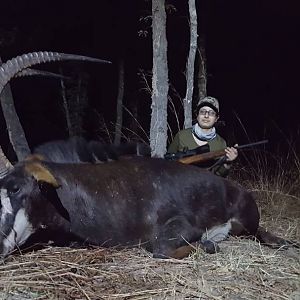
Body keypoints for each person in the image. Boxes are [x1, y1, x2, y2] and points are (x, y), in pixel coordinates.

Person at [167, 96, 238, 177]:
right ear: (197, 115)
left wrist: (228, 163)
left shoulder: (221, 143)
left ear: (216, 118)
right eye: (202, 111)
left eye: (211, 113)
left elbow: (219, 175)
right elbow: (168, 162)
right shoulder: (182, 136)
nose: (206, 116)